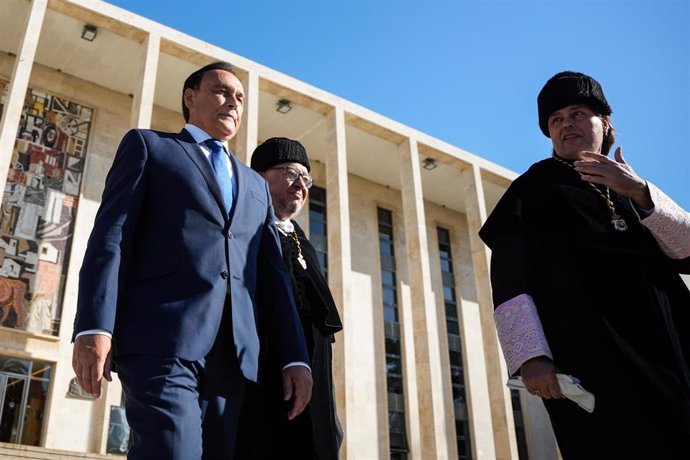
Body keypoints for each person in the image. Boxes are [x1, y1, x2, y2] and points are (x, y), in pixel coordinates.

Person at [71, 62, 312, 460]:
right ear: (190, 97)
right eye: (221, 91)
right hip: (161, 342)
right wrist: (94, 325)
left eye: (239, 97)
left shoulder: (253, 184)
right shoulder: (150, 147)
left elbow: (272, 278)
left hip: (231, 358)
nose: (232, 102)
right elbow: (111, 239)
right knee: (172, 451)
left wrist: (294, 357)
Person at [479, 71, 690, 459]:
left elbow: (687, 254)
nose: (566, 125)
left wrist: (639, 192)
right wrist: (530, 357)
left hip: (669, 354)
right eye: (555, 120)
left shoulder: (630, 186)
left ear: (604, 123)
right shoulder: (532, 189)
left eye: (577, 113)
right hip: (593, 363)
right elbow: (509, 279)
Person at [235, 137, 343, 459]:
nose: (301, 185)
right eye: (291, 173)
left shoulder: (302, 241)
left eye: (306, 178)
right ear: (261, 176)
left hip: (315, 386)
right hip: (266, 380)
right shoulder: (243, 229)